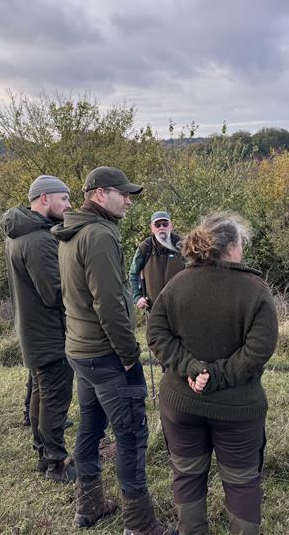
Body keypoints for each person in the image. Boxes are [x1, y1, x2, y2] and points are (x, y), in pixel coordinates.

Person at [53, 166, 174, 534]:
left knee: (90, 425)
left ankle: (88, 506)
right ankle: (139, 524)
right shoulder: (100, 235)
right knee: (132, 435)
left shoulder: (68, 232)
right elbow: (108, 302)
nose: (129, 202)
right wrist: (128, 355)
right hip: (106, 355)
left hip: (80, 349)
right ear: (101, 194)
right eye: (124, 194)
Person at [147, 212, 278, 535]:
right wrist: (215, 375)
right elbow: (258, 350)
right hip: (237, 408)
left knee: (187, 476)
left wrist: (191, 369)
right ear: (232, 245)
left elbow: (156, 333)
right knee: (242, 483)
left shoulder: (177, 284)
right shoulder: (255, 289)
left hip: (181, 403)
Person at [1, 175, 75, 483]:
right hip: (49, 333)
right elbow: (54, 292)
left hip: (31, 329)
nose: (69, 205)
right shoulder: (39, 239)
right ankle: (55, 462)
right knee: (54, 398)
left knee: (40, 393)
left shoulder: (19, 234)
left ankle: (42, 452)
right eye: (64, 199)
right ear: (44, 199)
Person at [129, 210, 184, 311]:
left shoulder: (183, 245)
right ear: (152, 228)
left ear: (171, 226)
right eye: (157, 225)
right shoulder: (145, 247)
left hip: (181, 308)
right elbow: (133, 274)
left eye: (165, 224)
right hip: (154, 310)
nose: (161, 227)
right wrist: (137, 297)